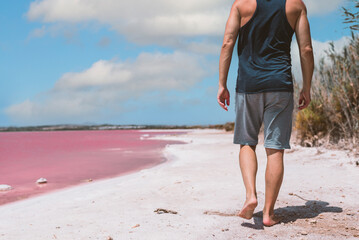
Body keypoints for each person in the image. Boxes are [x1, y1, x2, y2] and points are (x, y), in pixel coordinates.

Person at [217, 0, 314, 227]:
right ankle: (268, 213)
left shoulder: (242, 5)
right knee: (275, 150)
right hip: (280, 85)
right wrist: (307, 87)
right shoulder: (295, 5)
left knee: (246, 143)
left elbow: (227, 43)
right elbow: (306, 49)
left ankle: (251, 195)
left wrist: (222, 84)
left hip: (248, 85)